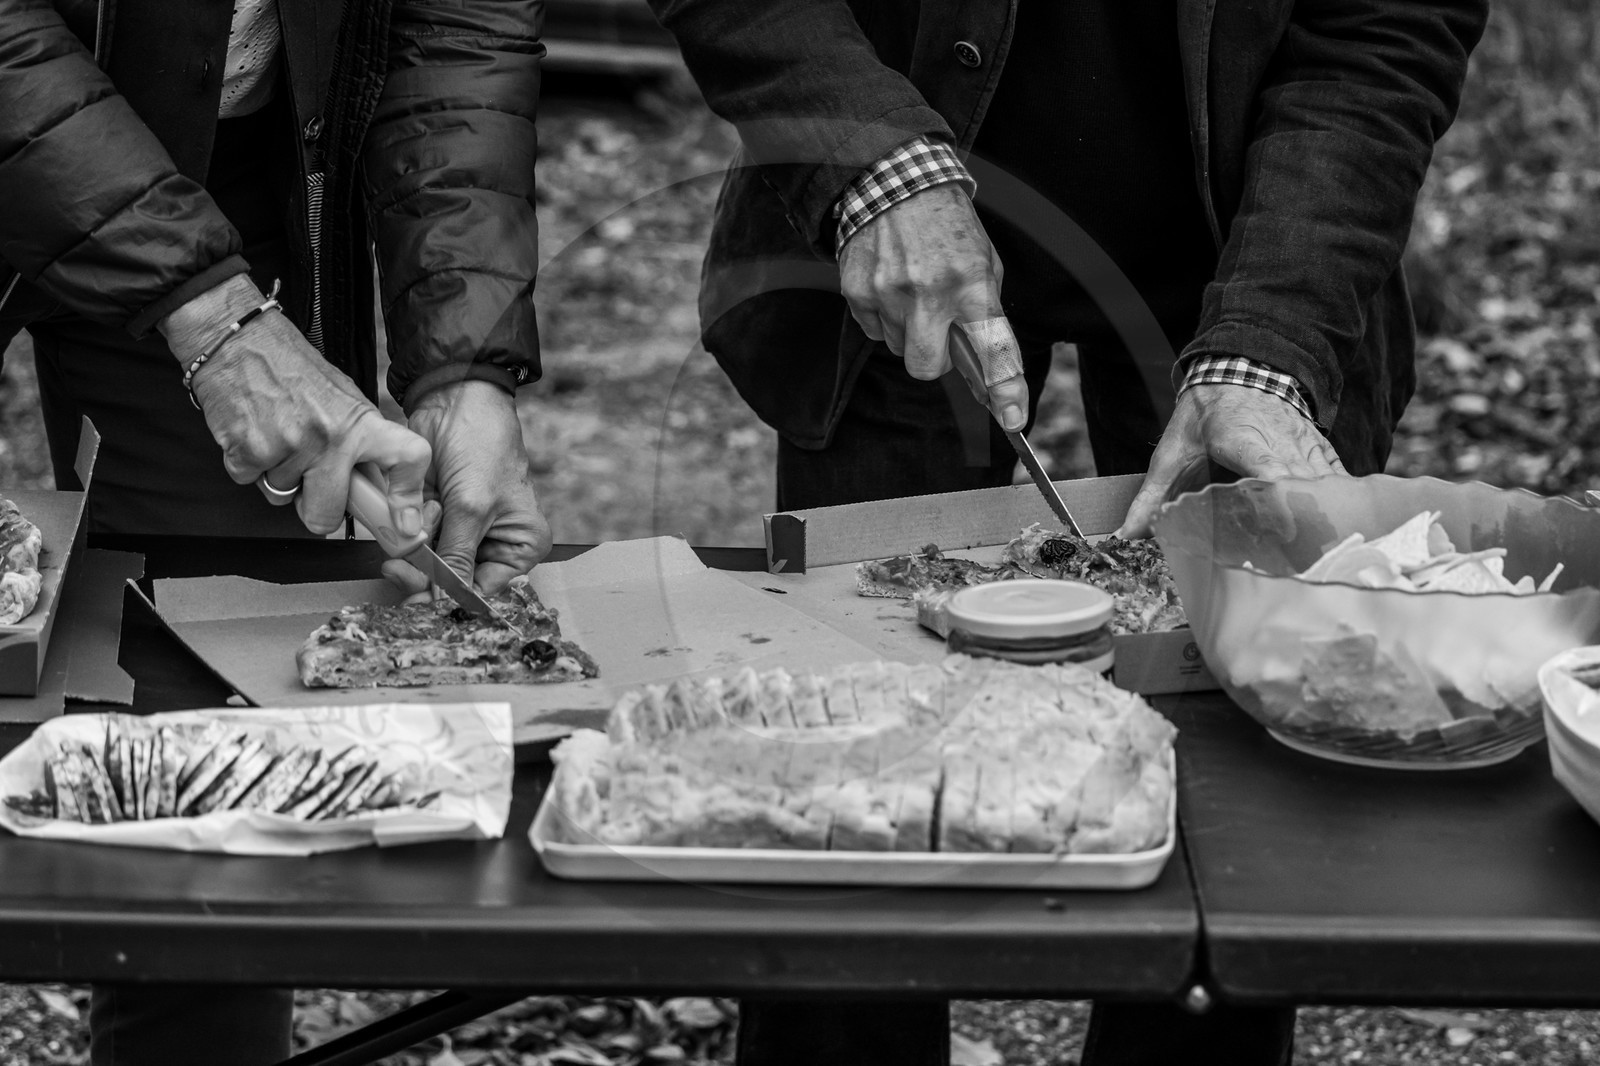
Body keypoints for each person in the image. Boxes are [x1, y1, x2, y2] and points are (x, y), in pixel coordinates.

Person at [646, 0, 1488, 1063]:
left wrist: (1273, 334)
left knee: (1224, 775)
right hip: (890, 200)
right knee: (847, 719)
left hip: (1256, 221)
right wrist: (864, 153)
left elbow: (1385, 28)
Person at [0, 0, 549, 1062]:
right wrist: (214, 319)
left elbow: (457, 20)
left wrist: (463, 357)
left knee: (209, 736)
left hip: (216, 168)